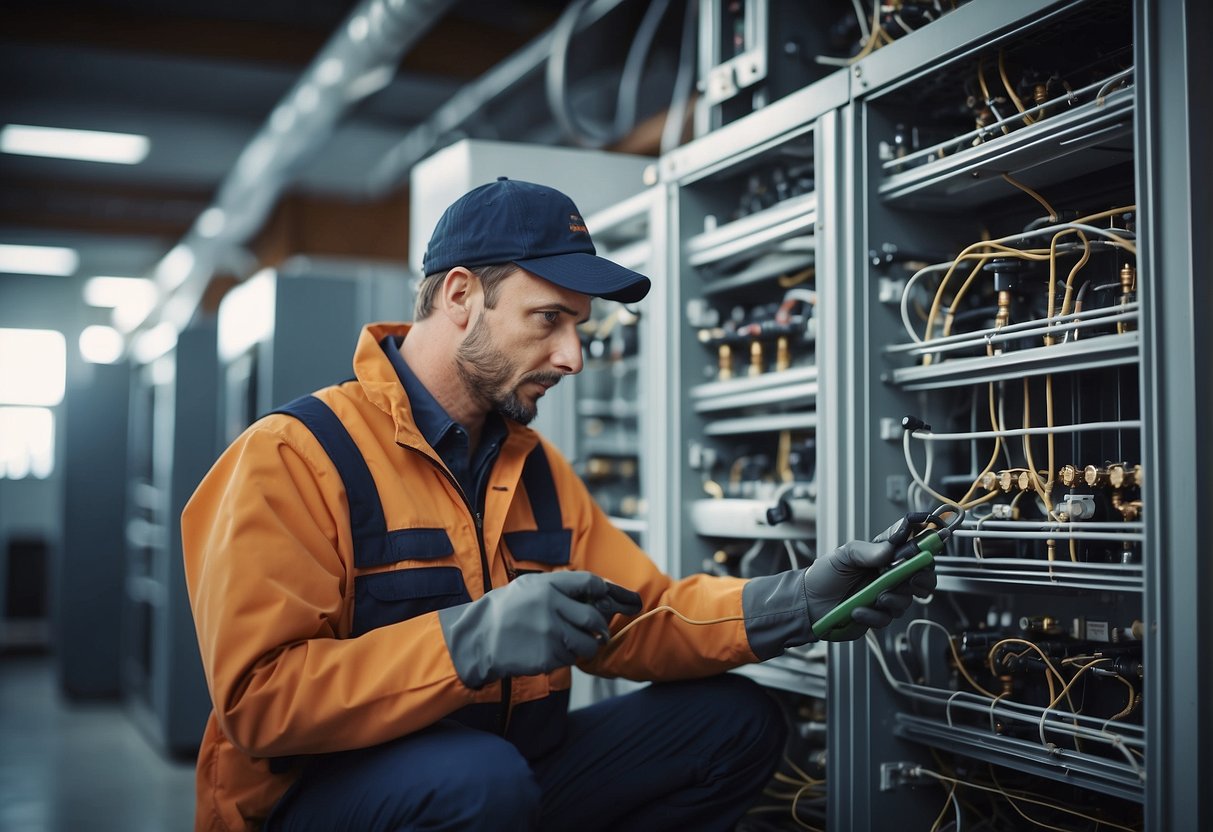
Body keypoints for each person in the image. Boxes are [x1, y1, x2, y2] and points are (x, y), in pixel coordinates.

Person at [182, 177, 935, 832]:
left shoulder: (531, 466)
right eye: (550, 319)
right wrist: (466, 642)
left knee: (732, 722)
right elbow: (259, 701)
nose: (573, 356)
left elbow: (639, 616)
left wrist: (800, 599)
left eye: (580, 326)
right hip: (325, 797)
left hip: (495, 780)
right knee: (476, 780)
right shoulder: (294, 454)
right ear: (460, 297)